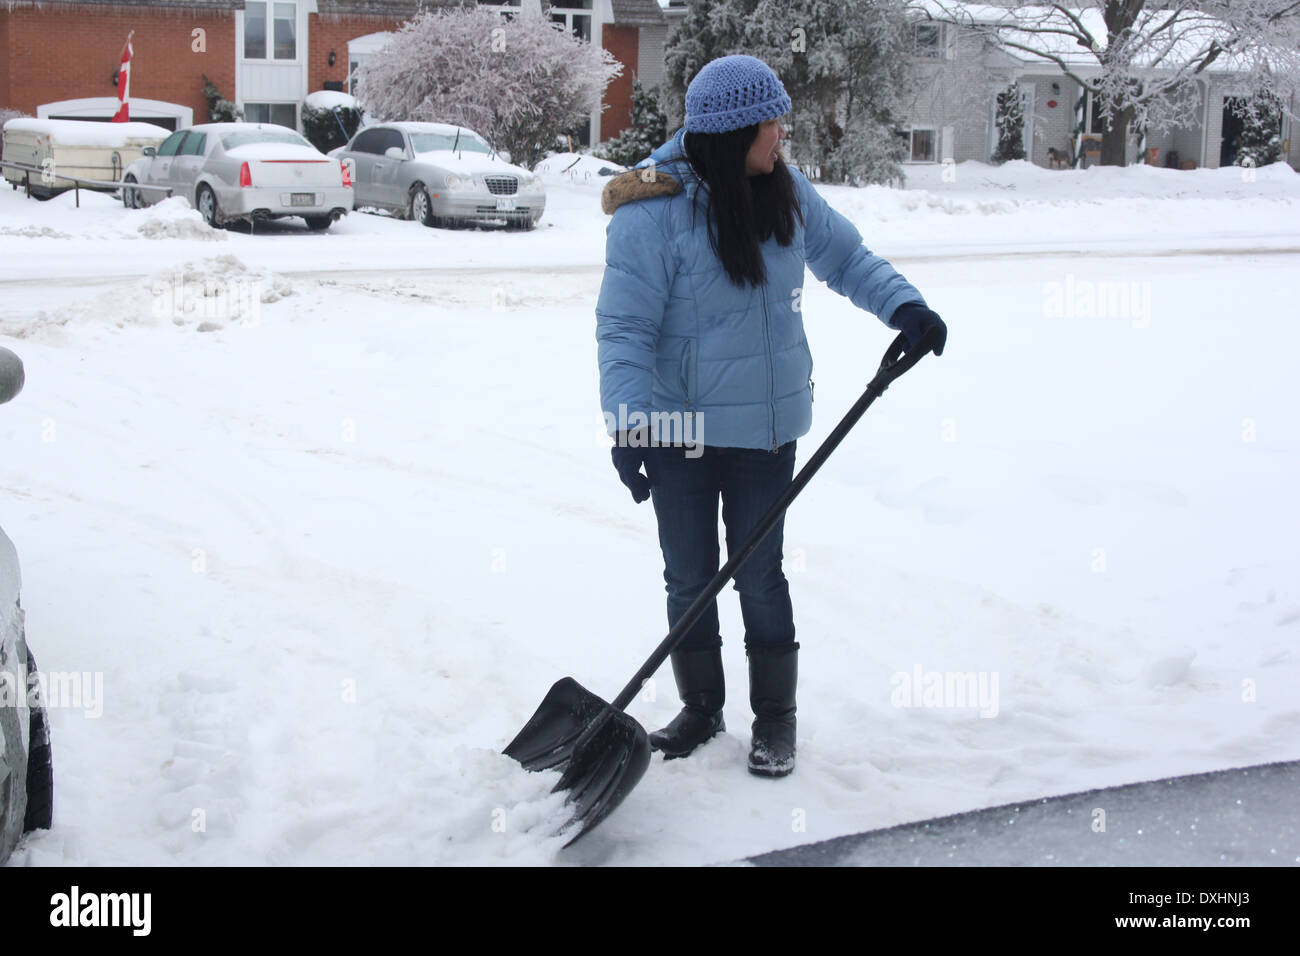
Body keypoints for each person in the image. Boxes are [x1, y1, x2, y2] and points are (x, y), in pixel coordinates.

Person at [595, 54, 946, 778]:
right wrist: (630, 425)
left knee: (760, 577)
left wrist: (904, 306)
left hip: (763, 426)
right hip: (677, 431)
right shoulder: (652, 211)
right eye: (772, 121)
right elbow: (624, 328)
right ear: (733, 133)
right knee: (689, 578)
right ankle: (699, 710)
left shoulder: (783, 191)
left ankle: (775, 723)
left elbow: (845, 258)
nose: (782, 132)